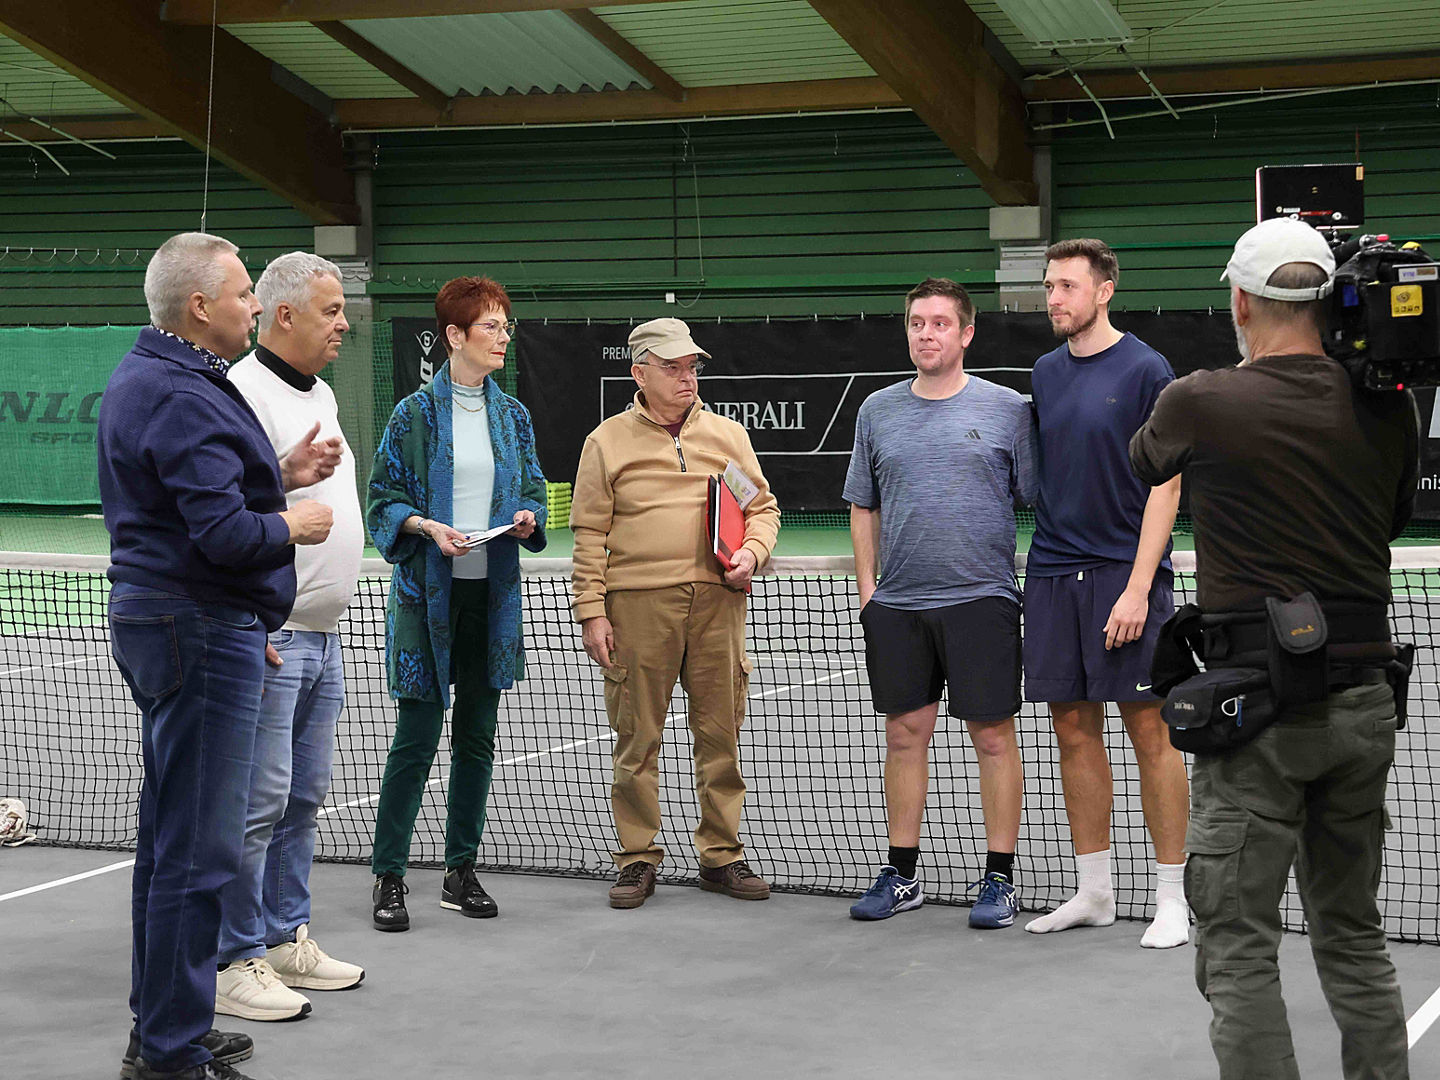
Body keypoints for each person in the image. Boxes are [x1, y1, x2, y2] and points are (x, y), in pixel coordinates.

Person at [1130, 217, 1418, 1079]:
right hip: (1366, 705)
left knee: (1237, 944)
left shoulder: (1203, 399)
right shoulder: (1389, 404)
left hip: (1256, 713)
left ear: (1242, 301)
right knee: (1353, 935)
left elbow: (1146, 463)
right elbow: (1395, 516)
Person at [99, 232, 338, 1080]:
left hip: (187, 626)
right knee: (199, 855)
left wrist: (279, 472)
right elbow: (225, 534)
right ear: (200, 307)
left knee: (173, 847)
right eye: (242, 294)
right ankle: (167, 1054)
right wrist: (293, 522)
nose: (252, 306)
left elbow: (184, 497)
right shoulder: (181, 391)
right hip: (197, 631)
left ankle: (165, 1028)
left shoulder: (162, 378)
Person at [846, 278, 1038, 928]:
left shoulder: (1010, 408)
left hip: (981, 600)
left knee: (992, 738)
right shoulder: (876, 411)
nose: (926, 334)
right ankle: (901, 874)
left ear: (966, 333)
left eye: (939, 324)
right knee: (904, 735)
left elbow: (1037, 497)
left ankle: (1000, 879)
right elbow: (861, 502)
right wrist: (869, 591)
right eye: (917, 323)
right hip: (897, 606)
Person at [571, 317, 780, 909]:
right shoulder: (605, 442)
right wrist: (592, 611)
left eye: (691, 366)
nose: (687, 376)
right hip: (636, 606)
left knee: (721, 734)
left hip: (719, 604)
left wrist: (753, 552)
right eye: (672, 367)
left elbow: (761, 508)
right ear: (639, 373)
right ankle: (637, 858)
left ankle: (722, 856)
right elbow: (588, 533)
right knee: (638, 739)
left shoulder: (728, 438)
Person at [1021, 238, 1191, 949]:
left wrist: (1138, 585)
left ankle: (1173, 899)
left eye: (1066, 285)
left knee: (1151, 729)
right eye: (1050, 286)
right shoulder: (1044, 372)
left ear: (1104, 290)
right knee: (1071, 729)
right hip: (1055, 573)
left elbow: (1167, 482)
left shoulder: (1148, 368)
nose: (1054, 298)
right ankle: (1094, 892)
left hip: (1128, 576)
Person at [367, 275, 548, 932]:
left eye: (505, 326)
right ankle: (389, 877)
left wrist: (527, 515)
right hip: (425, 597)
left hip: (491, 596)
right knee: (414, 741)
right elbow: (382, 501)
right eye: (492, 326)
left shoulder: (513, 416)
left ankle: (459, 870)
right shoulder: (412, 416)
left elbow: (532, 486)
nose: (504, 336)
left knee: (477, 738)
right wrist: (424, 528)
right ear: (454, 336)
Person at [217, 252, 365, 1021]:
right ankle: (235, 957)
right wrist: (252, 618)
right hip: (270, 637)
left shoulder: (325, 391)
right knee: (256, 803)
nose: (344, 323)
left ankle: (284, 938)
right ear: (284, 317)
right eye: (332, 310)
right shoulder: (240, 392)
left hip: (324, 637)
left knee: (302, 798)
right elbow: (229, 513)